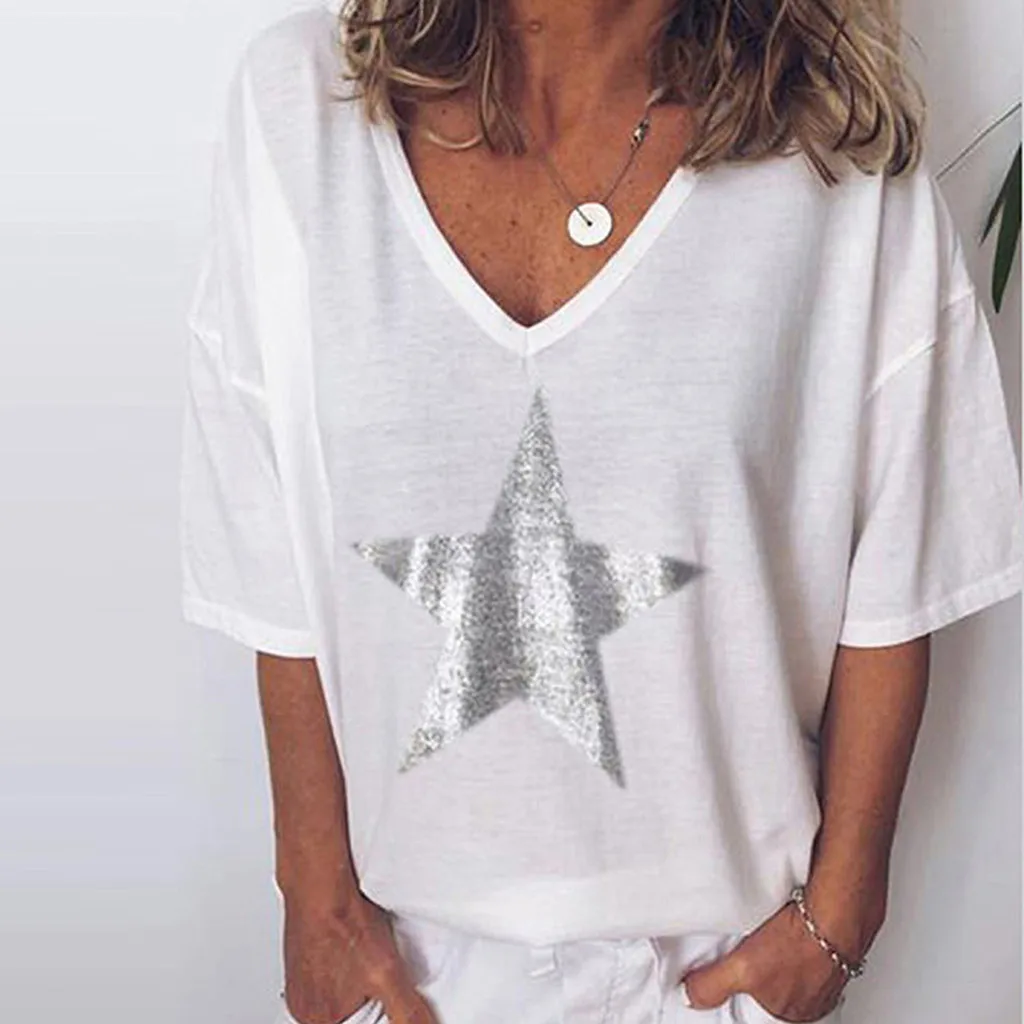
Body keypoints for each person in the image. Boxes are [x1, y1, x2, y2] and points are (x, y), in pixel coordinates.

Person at [178, 0, 1024, 1021]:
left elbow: (902, 556)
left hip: (714, 976)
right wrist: (310, 893)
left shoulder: (834, 144)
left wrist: (842, 912)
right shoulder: (300, 106)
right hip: (403, 973)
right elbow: (268, 538)